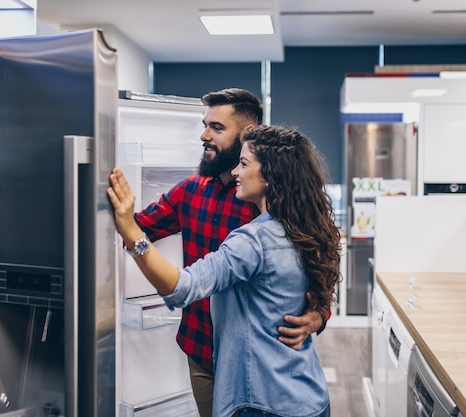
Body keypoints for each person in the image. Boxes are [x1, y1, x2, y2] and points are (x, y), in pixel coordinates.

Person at [108, 124, 342, 417]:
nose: (235, 172)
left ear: (270, 176)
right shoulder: (305, 225)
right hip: (307, 396)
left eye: (244, 164)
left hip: (260, 403)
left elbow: (183, 287)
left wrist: (130, 231)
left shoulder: (254, 240)